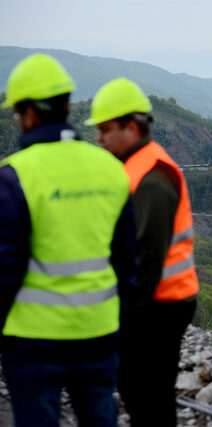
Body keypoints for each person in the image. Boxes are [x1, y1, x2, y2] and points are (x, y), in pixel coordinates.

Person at [0, 54, 137, 426]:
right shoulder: (110, 168)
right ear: (65, 106)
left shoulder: (15, 176)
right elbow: (127, 262)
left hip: (33, 338)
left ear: (28, 114)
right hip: (98, 332)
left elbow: (6, 268)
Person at [85, 77, 199, 426]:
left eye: (105, 129)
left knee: (146, 395)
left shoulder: (152, 178)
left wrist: (122, 320)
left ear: (131, 128)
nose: (99, 138)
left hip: (159, 306)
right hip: (159, 302)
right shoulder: (137, 166)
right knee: (145, 393)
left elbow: (146, 261)